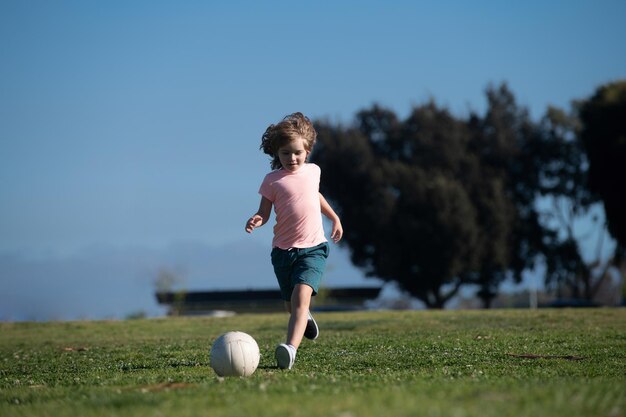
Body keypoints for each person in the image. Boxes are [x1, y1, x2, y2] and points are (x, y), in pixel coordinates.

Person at [245, 112, 343, 370]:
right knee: (291, 306)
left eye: (297, 152)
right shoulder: (271, 181)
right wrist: (257, 218)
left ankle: (290, 348)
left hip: (313, 249)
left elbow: (316, 196)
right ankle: (304, 318)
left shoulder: (313, 171)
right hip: (282, 253)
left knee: (301, 299)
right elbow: (264, 212)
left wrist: (334, 217)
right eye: (285, 153)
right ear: (276, 153)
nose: (292, 158)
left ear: (307, 150)